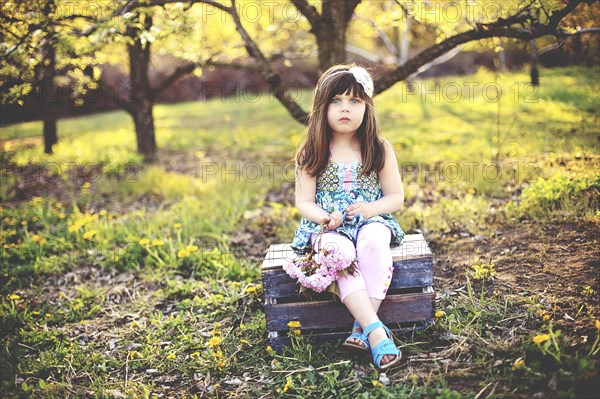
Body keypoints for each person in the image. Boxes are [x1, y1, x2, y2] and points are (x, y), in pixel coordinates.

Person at [291, 64, 406, 370]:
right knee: (337, 252)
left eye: (355, 101)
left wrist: (371, 209)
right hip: (330, 227)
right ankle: (375, 329)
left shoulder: (378, 148)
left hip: (370, 221)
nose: (346, 108)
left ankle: (362, 327)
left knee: (373, 242)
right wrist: (324, 217)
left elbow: (396, 196)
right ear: (321, 107)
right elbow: (303, 201)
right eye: (336, 101)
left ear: (367, 107)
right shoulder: (313, 151)